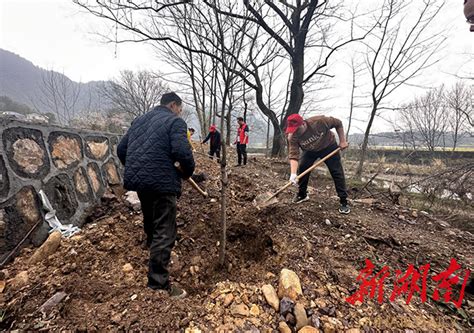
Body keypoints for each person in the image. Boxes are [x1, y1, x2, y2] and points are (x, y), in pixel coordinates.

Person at [117, 92, 195, 298]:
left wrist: (137, 168)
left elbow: (121, 149)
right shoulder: (175, 123)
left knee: (150, 218)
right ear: (173, 105)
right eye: (180, 108)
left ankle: (151, 248)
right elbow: (182, 152)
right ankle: (158, 284)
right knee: (165, 230)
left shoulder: (139, 121)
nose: (180, 112)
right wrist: (187, 172)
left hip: (141, 182)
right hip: (162, 182)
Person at [286, 113, 350, 214]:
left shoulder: (319, 122)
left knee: (336, 172)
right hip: (310, 151)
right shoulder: (292, 137)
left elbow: (338, 123)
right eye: (293, 130)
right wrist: (293, 174)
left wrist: (342, 141)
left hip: (328, 146)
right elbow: (293, 155)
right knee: (303, 167)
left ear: (303, 124)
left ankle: (343, 201)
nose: (295, 133)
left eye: (297, 130)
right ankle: (302, 194)